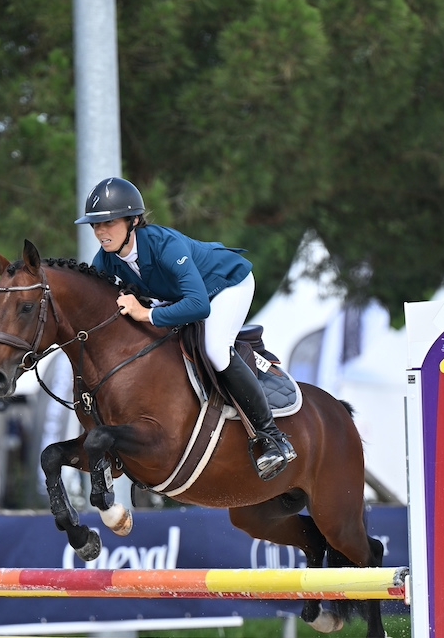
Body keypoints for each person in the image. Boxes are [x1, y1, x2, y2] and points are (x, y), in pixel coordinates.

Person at [76, 177, 297, 480]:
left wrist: (147, 314)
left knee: (215, 349)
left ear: (134, 220)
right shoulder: (104, 262)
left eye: (109, 223)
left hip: (225, 286)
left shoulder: (164, 245)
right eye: (95, 225)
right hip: (184, 298)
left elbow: (198, 306)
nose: (101, 231)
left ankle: (273, 438)